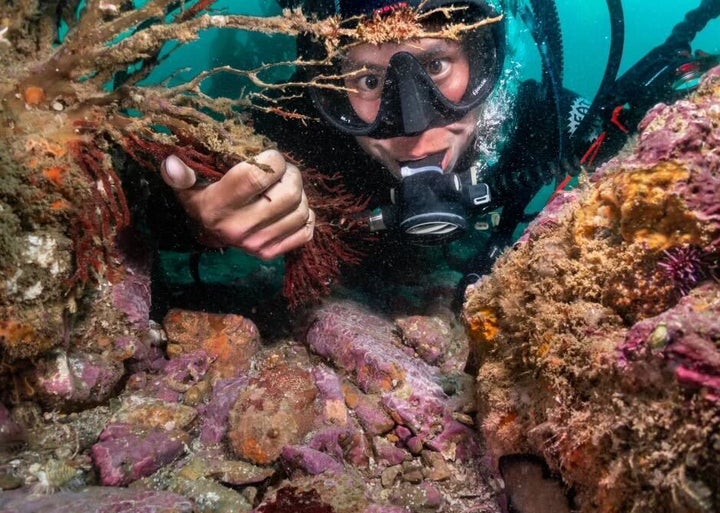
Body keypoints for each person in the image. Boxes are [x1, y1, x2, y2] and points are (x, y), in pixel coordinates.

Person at [155, 0, 720, 310]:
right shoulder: (302, 134)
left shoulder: (543, 122)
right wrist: (199, 215)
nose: (415, 126)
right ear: (327, 88)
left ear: (488, 60)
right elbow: (134, 194)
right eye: (367, 79)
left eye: (435, 67)